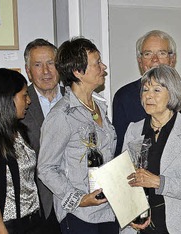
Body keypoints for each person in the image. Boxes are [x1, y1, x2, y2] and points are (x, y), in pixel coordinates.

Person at [37, 37, 118, 234]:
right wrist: (79, 199)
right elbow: (46, 168)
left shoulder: (99, 105)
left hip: (107, 210)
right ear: (78, 72)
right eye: (97, 62)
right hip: (79, 215)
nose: (103, 66)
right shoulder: (62, 115)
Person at [122, 65, 181, 234]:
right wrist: (128, 215)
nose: (148, 96)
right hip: (139, 227)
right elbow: (123, 182)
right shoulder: (133, 130)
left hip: (180, 226)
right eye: (145, 90)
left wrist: (158, 182)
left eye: (156, 90)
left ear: (172, 93)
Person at [0, 68, 42, 233]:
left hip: (33, 220)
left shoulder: (19, 131)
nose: (29, 101)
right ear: (8, 98)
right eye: (24, 95)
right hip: (8, 226)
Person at [113, 30, 181, 155]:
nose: (155, 60)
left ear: (172, 59)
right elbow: (120, 150)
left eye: (162, 53)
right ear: (140, 61)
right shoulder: (123, 96)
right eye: (148, 54)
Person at [20, 38, 63, 234]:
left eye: (51, 63)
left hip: (79, 203)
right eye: (38, 65)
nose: (46, 71)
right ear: (28, 71)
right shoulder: (18, 103)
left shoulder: (76, 99)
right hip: (38, 206)